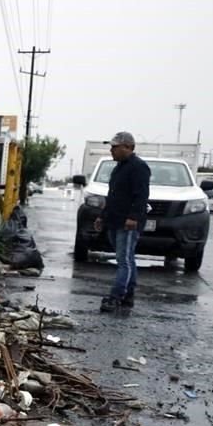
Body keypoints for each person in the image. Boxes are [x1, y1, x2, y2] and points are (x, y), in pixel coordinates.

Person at [94, 131, 150, 313]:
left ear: (128, 147)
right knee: (127, 258)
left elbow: (141, 195)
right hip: (114, 220)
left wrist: (133, 217)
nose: (111, 150)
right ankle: (128, 295)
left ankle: (116, 296)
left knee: (123, 260)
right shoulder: (119, 168)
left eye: (115, 147)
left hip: (127, 223)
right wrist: (102, 216)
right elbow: (113, 196)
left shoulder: (138, 167)